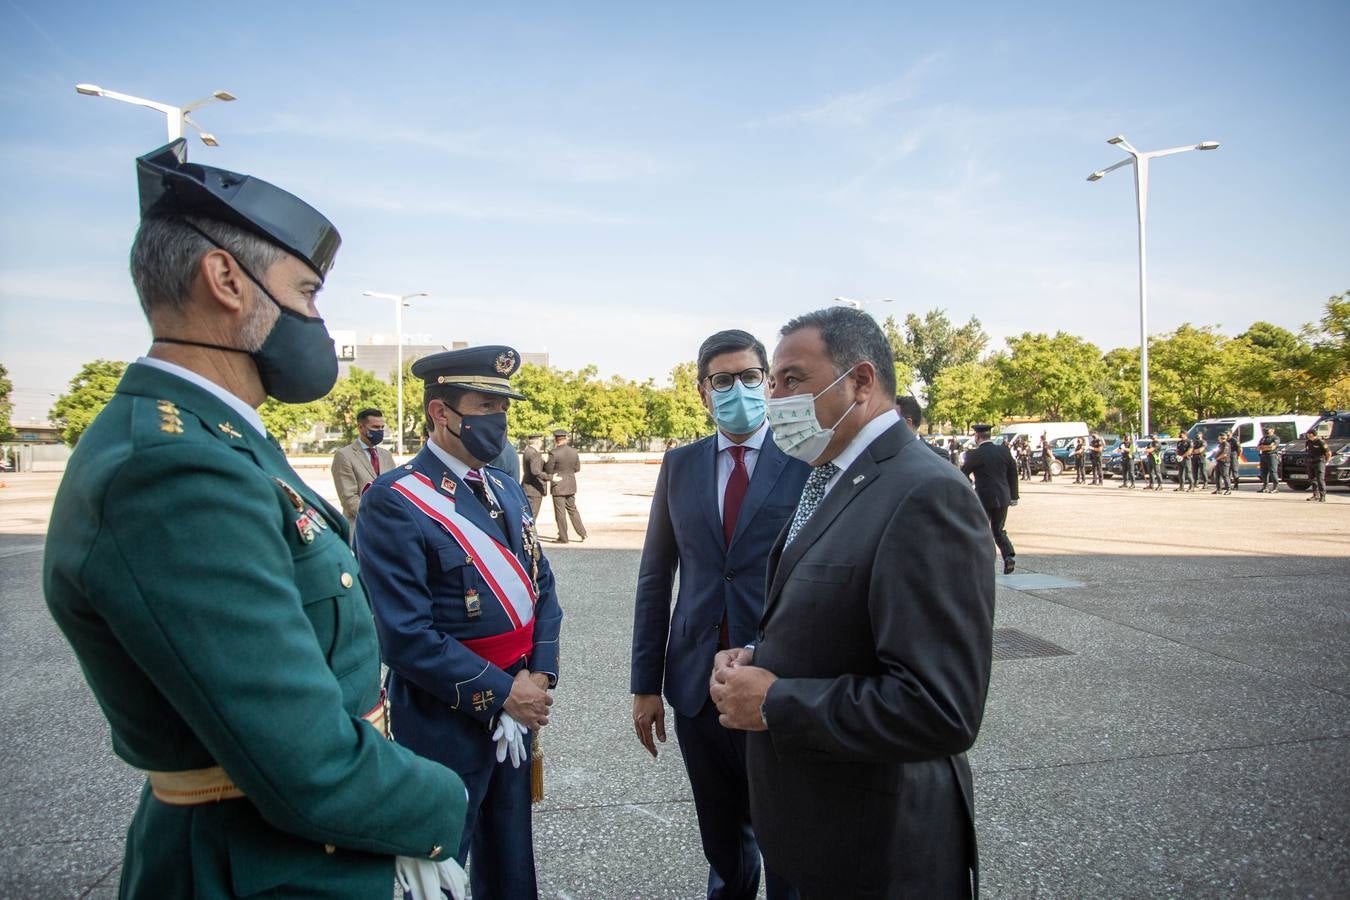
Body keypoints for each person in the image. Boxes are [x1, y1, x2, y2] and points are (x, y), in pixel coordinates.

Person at [43, 141, 467, 898]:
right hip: (262, 867)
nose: (313, 320)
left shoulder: (216, 440)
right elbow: (303, 759)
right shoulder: (171, 471)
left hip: (298, 849)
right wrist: (444, 800)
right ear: (226, 280)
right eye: (305, 293)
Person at [708, 306, 994, 898]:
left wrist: (776, 701)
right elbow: (841, 616)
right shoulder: (835, 473)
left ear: (860, 382)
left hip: (877, 848)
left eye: (791, 380)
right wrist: (762, 654)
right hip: (820, 833)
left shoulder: (924, 492)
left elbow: (940, 707)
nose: (774, 397)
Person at [356, 345, 563, 899]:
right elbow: (403, 635)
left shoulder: (504, 487)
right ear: (440, 412)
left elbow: (543, 588)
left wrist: (538, 676)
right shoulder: (395, 501)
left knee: (509, 857)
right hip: (445, 718)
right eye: (483, 405)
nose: (496, 420)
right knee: (443, 868)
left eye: (503, 407)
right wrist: (501, 693)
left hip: (518, 706)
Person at [631, 329, 809, 900]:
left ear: (769, 381)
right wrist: (645, 685)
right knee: (721, 837)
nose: (739, 389)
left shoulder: (805, 459)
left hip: (776, 679)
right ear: (702, 392)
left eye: (750, 377)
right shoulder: (679, 464)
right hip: (694, 682)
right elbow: (656, 578)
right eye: (723, 380)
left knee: (786, 835)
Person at [961, 423, 1019, 574]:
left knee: (982, 528)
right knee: (998, 530)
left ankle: (983, 561)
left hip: (984, 497)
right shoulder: (1003, 451)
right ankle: (1008, 556)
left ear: (977, 436)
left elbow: (963, 473)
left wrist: (971, 485)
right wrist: (1014, 495)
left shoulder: (974, 454)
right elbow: (1013, 472)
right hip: (1003, 496)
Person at [331, 406, 397, 531]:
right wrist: (376, 518)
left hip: (388, 527)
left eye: (382, 427)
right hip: (360, 528)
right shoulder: (344, 455)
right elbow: (349, 499)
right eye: (375, 427)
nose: (380, 431)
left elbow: (394, 489)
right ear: (361, 427)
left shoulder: (386, 455)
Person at [546, 429, 587, 542]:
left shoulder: (553, 453)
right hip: (570, 484)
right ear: (566, 438)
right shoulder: (574, 451)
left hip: (558, 485)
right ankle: (582, 533)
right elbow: (577, 468)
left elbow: (548, 469)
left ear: (556, 439)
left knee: (560, 513)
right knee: (573, 509)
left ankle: (563, 537)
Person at [520, 433, 550, 517]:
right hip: (534, 489)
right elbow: (536, 471)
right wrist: (550, 477)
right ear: (537, 442)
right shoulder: (534, 454)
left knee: (528, 515)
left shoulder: (528, 451)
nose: (542, 443)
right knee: (532, 516)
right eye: (541, 440)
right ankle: (530, 530)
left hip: (528, 488)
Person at [1305, 427, 1331, 502]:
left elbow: (1328, 453)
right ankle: (1315, 495)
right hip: (1310, 462)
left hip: (1319, 462)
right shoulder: (1308, 442)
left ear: (1312, 434)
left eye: (1309, 434)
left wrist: (1326, 461)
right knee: (1312, 479)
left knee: (1320, 479)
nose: (1308, 435)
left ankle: (1322, 496)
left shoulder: (1321, 442)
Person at [1258, 427, 1280, 493]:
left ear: (1273, 430)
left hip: (1272, 456)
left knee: (1273, 472)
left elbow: (1272, 447)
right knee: (1263, 472)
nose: (1267, 431)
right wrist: (1268, 447)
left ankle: (1275, 488)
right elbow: (1258, 447)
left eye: (1269, 429)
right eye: (1266, 429)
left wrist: (1264, 447)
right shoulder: (1263, 438)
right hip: (1264, 456)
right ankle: (1265, 487)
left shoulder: (1275, 438)